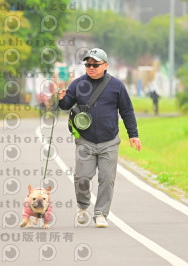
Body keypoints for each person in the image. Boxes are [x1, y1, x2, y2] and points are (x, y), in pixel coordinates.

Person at [58, 48, 141, 228]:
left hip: (109, 141)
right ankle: (82, 206)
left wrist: (133, 134)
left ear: (105, 65)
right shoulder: (78, 84)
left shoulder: (117, 86)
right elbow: (66, 104)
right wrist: (62, 98)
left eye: (95, 65)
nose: (91, 67)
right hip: (85, 140)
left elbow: (127, 111)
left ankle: (101, 213)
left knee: (107, 179)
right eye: (88, 64)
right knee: (82, 178)